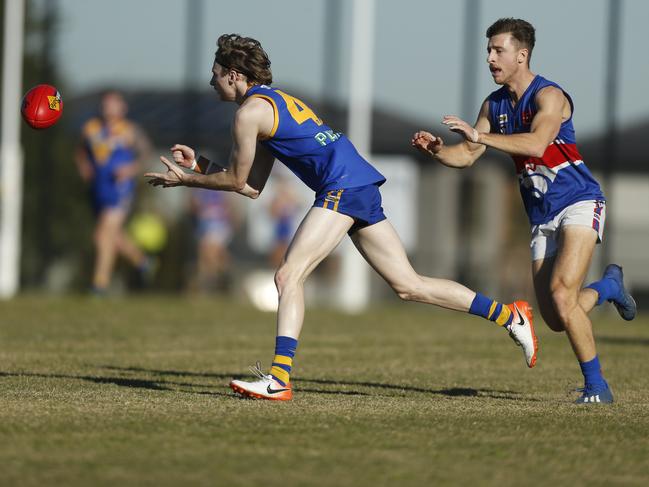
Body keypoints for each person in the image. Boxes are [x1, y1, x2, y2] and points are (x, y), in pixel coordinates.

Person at [145, 33, 538, 401]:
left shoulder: (249, 114)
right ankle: (509, 314)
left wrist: (187, 180)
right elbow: (251, 186)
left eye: (216, 75)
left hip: (343, 186)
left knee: (287, 275)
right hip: (356, 183)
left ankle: (279, 380)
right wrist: (199, 163)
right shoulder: (270, 102)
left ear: (234, 75)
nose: (212, 82)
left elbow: (235, 180)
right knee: (409, 285)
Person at [412, 18, 637, 404]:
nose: (489, 58)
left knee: (563, 296)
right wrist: (437, 151)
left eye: (497, 50)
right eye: (488, 50)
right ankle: (608, 287)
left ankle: (598, 387)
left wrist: (480, 136)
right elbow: (466, 155)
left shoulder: (549, 96)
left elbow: (536, 144)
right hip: (542, 215)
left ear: (522, 54)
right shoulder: (493, 104)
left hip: (580, 201)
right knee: (555, 317)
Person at [75, 90, 152, 294]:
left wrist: (130, 169)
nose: (108, 107)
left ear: (123, 108)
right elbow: (81, 151)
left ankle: (99, 284)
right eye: (105, 103)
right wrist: (84, 166)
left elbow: (145, 155)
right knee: (111, 235)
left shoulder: (130, 130)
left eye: (113, 103)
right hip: (99, 189)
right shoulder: (91, 128)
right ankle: (141, 260)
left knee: (102, 236)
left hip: (121, 188)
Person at [189, 187, 236, 292]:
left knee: (211, 254)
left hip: (218, 226)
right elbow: (193, 206)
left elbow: (230, 206)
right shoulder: (199, 187)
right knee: (206, 255)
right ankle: (213, 283)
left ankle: (213, 283)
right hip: (204, 226)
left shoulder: (222, 186)